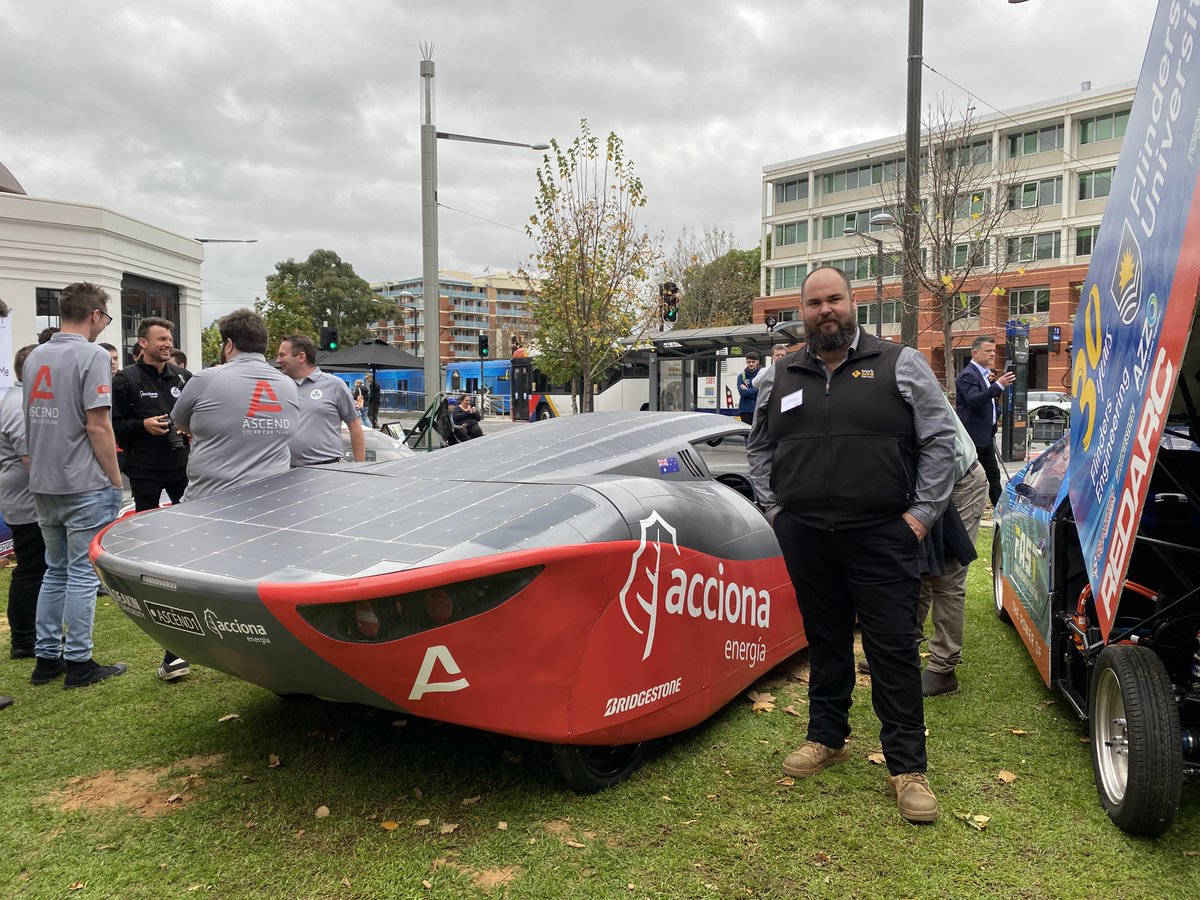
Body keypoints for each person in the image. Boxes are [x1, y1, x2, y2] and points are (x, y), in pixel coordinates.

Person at [747, 266, 956, 824]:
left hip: (883, 534)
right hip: (807, 535)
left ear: (853, 301)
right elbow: (759, 449)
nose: (825, 310)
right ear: (803, 311)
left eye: (834, 299)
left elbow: (940, 442)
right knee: (826, 639)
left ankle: (907, 768)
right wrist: (776, 510)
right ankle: (827, 737)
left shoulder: (901, 364)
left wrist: (919, 517)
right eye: (814, 303)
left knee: (891, 649)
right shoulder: (779, 375)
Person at [23, 282, 127, 689]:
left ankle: (47, 659)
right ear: (96, 316)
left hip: (44, 479)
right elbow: (97, 424)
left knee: (55, 571)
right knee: (82, 574)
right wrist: (115, 480)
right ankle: (80, 663)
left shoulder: (36, 355)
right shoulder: (92, 355)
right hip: (83, 480)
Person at [111, 317, 192, 681]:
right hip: (143, 467)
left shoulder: (180, 377)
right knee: (146, 528)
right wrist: (141, 426)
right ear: (142, 342)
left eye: (170, 338)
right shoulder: (125, 379)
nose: (167, 343)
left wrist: (183, 429)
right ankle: (148, 582)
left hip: (179, 465)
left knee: (191, 527)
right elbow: (111, 422)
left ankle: (187, 573)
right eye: (161, 338)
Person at [172, 308, 298, 501]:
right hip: (272, 501)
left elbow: (180, 423)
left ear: (229, 345)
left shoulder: (205, 379)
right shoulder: (288, 384)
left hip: (210, 501)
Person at [915, 399, 989, 697]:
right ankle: (904, 649)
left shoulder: (908, 382)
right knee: (915, 569)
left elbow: (946, 453)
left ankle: (943, 668)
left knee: (947, 574)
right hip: (922, 488)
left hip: (958, 483)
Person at [0, 345, 48, 660]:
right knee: (32, 568)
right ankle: (25, 639)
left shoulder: (20, 400)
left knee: (37, 567)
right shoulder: (19, 404)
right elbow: (30, 456)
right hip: (27, 500)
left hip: (28, 497)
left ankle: (30, 635)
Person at [276, 334, 365, 466]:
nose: (278, 360)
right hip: (285, 470)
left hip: (326, 469)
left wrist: (360, 468)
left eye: (282, 355)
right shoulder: (279, 386)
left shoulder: (335, 385)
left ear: (301, 357)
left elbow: (355, 425)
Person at [955, 335, 1014, 508]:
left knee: (993, 476)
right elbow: (974, 400)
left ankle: (1002, 512)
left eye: (993, 351)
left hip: (986, 436)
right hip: (973, 437)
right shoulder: (968, 375)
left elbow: (988, 402)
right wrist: (998, 386)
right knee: (967, 477)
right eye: (988, 351)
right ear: (975, 353)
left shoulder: (984, 375)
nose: (992, 354)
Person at [736, 351, 761, 424]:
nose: (751, 364)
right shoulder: (741, 376)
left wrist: (748, 390)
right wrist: (756, 389)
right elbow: (742, 392)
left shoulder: (762, 374)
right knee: (747, 434)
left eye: (753, 362)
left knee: (758, 433)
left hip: (759, 409)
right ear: (746, 362)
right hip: (745, 411)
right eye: (749, 362)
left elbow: (763, 391)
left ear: (757, 362)